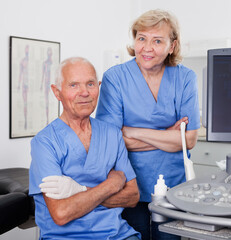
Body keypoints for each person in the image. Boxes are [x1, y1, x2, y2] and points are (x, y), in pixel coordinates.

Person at [96, 9, 200, 240]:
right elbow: (110, 141)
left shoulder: (185, 78)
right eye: (141, 38)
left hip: (174, 186)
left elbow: (189, 140)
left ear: (172, 46)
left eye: (157, 40)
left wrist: (132, 131)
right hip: (129, 184)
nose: (147, 47)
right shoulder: (115, 78)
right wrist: (168, 136)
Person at [29, 57, 141, 240]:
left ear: (98, 87)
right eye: (73, 85)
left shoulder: (111, 134)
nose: (84, 93)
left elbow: (132, 196)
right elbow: (61, 213)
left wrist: (78, 191)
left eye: (90, 84)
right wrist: (112, 184)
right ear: (57, 92)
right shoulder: (45, 142)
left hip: (118, 235)